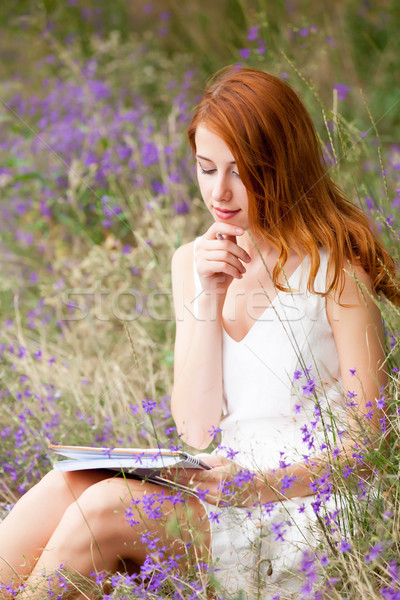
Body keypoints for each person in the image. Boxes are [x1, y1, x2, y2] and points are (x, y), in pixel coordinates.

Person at [0, 66, 397, 600]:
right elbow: (193, 426)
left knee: (104, 510)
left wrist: (255, 487)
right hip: (220, 490)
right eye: (206, 169)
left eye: (241, 171)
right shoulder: (191, 261)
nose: (221, 192)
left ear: (283, 165)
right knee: (67, 485)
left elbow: (369, 446)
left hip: (302, 513)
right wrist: (207, 294)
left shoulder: (336, 275)